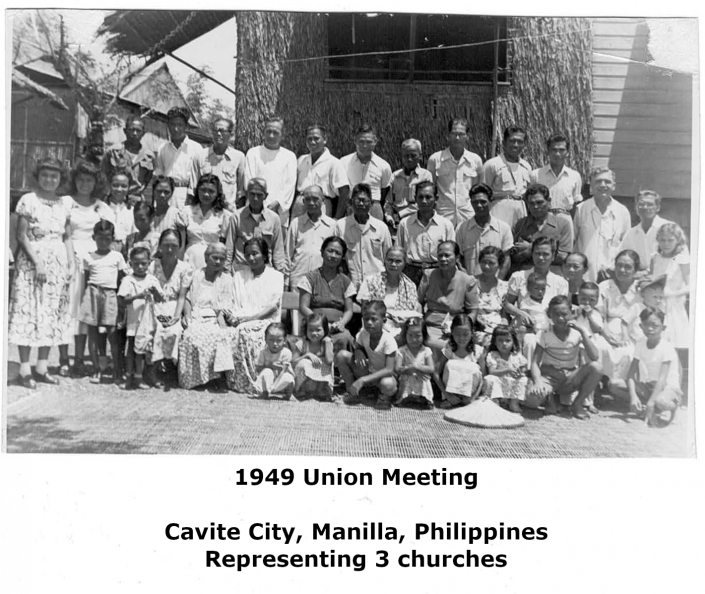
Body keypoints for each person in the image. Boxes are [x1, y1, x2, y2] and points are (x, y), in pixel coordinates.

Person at [8, 157, 74, 388]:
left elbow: (67, 237)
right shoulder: (29, 200)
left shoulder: (64, 203)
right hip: (32, 263)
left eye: (54, 176)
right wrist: (37, 263)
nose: (49, 179)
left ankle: (42, 367)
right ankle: (25, 369)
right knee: (28, 311)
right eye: (45, 175)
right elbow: (21, 235)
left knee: (51, 312)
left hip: (57, 264)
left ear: (60, 179)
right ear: (38, 176)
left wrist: (71, 264)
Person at [61, 160, 114, 376]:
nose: (84, 184)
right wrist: (69, 261)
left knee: (85, 312)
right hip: (69, 259)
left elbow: (110, 237)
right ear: (74, 180)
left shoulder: (102, 207)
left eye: (89, 180)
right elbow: (63, 233)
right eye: (80, 179)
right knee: (67, 310)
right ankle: (65, 358)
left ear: (96, 182)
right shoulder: (65, 202)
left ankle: (80, 359)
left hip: (94, 263)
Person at [223, 238, 285, 393]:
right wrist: (231, 316)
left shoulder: (276, 276)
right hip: (240, 319)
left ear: (264, 255)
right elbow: (231, 303)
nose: (251, 258)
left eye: (255, 253)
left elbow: (272, 307)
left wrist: (248, 319)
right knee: (230, 333)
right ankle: (239, 381)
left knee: (245, 332)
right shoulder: (238, 276)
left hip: (266, 321)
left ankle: (256, 381)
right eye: (247, 254)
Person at [526, 295, 602, 419]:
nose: (561, 318)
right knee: (532, 399)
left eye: (564, 314)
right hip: (550, 377)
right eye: (556, 314)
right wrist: (537, 381)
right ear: (549, 315)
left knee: (597, 367)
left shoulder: (578, 332)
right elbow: (535, 362)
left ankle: (577, 404)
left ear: (572, 313)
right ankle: (550, 398)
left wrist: (582, 332)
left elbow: (595, 356)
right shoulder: (544, 333)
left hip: (570, 378)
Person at [177, 243, 235, 390]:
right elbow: (188, 299)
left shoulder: (227, 279)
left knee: (218, 335)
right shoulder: (196, 275)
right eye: (215, 258)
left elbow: (226, 304)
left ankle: (216, 378)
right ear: (206, 258)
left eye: (222, 259)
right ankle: (194, 379)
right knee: (190, 335)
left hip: (215, 317)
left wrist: (221, 321)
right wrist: (187, 315)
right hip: (196, 315)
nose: (218, 262)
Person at [78, 220, 128, 384]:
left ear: (113, 238)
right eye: (100, 238)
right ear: (94, 237)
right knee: (92, 334)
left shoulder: (117, 257)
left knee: (112, 334)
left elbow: (122, 280)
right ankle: (96, 368)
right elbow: (85, 281)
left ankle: (116, 369)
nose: (104, 242)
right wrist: (83, 302)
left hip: (110, 295)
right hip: (92, 293)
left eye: (108, 238)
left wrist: (122, 302)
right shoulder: (88, 257)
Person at [418, 241, 480, 353]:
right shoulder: (429, 275)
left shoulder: (467, 280)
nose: (443, 259)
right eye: (440, 255)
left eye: (447, 255)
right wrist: (419, 322)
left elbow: (473, 310)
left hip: (456, 328)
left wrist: (461, 326)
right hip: (431, 326)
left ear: (456, 258)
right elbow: (418, 302)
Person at [335, 300, 398, 410]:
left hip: (383, 376)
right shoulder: (363, 333)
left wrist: (363, 380)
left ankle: (384, 397)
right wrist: (359, 352)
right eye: (366, 319)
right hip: (369, 370)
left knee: (388, 384)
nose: (369, 322)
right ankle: (352, 391)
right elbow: (358, 346)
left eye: (374, 319)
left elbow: (389, 369)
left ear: (384, 321)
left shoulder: (388, 341)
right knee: (342, 355)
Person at [149, 229, 193, 384]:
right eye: (166, 245)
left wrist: (176, 317)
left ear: (180, 247)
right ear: (160, 246)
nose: (169, 249)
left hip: (174, 306)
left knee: (174, 330)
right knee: (155, 328)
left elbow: (182, 296)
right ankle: (153, 369)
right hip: (154, 305)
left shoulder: (184, 268)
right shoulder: (153, 266)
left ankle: (170, 369)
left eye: (174, 246)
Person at [297, 236, 356, 352]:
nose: (333, 255)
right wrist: (322, 324)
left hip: (336, 329)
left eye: (338, 253)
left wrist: (341, 323)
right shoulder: (310, 278)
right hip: (314, 327)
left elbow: (349, 310)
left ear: (342, 257)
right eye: (330, 251)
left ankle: (340, 369)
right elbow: (303, 307)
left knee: (345, 338)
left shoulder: (345, 281)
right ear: (322, 252)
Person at [117, 245, 164, 389]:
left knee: (142, 351)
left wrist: (154, 291)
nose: (140, 266)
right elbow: (121, 300)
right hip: (133, 321)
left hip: (147, 323)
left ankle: (139, 377)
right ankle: (129, 377)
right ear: (130, 264)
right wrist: (137, 296)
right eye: (136, 263)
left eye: (143, 263)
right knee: (131, 350)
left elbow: (160, 298)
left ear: (149, 263)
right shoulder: (128, 280)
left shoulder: (152, 279)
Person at [573, 167, 631, 282]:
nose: (603, 185)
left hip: (612, 278)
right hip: (584, 278)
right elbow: (573, 242)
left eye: (607, 182)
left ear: (613, 186)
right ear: (591, 186)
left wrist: (613, 268)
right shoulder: (581, 210)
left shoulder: (622, 212)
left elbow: (627, 246)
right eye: (598, 181)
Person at [597, 250, 644, 390]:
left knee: (630, 352)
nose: (622, 270)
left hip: (633, 330)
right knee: (600, 346)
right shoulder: (605, 286)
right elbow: (600, 315)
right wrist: (605, 333)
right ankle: (596, 385)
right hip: (606, 328)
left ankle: (625, 389)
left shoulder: (640, 288)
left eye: (628, 267)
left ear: (635, 270)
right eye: (619, 265)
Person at [627, 307, 682, 427]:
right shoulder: (640, 342)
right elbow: (631, 374)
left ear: (663, 327)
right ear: (640, 326)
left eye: (654, 325)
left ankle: (672, 406)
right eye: (646, 325)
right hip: (650, 386)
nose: (650, 328)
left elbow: (662, 380)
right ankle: (647, 405)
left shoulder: (666, 347)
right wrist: (633, 396)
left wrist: (651, 402)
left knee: (660, 401)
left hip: (668, 388)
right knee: (615, 385)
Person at [224, 177, 288, 277]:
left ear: (265, 196)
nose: (255, 198)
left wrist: (280, 275)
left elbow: (278, 251)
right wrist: (226, 273)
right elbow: (229, 248)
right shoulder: (236, 217)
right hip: (240, 272)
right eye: (252, 194)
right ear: (247, 194)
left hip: (265, 272)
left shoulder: (274, 219)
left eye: (259, 195)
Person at [396, 181, 456, 287]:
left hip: (438, 271)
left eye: (428, 197)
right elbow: (399, 252)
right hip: (410, 272)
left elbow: (452, 255)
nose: (424, 201)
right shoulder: (405, 224)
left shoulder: (446, 225)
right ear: (415, 198)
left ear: (436, 198)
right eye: (420, 197)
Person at [333, 183, 393, 289]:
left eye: (365, 200)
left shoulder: (381, 228)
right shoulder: (340, 226)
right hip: (351, 286)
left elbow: (388, 257)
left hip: (376, 285)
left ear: (371, 203)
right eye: (358, 200)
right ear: (351, 202)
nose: (361, 204)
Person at [426, 117, 483, 227]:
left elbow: (477, 190)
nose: (457, 137)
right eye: (454, 134)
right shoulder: (435, 159)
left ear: (467, 136)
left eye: (461, 134)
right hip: (443, 215)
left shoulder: (475, 160)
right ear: (448, 135)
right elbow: (431, 189)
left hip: (468, 215)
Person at [356, 247, 422, 341]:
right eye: (390, 260)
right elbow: (365, 310)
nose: (393, 264)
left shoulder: (410, 285)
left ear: (404, 264)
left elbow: (414, 311)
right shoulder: (370, 281)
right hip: (375, 325)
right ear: (385, 261)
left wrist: (404, 321)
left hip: (401, 327)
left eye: (398, 261)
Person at [244, 115, 297, 229]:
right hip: (254, 209)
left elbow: (290, 185)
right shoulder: (253, 153)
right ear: (263, 132)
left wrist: (277, 203)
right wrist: (260, 204)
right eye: (268, 131)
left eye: (275, 132)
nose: (271, 135)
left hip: (279, 212)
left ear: (282, 135)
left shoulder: (289, 156)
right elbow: (249, 181)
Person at [511, 183, 573, 274]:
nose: (535, 207)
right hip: (526, 275)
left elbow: (563, 257)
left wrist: (530, 248)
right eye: (531, 203)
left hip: (554, 275)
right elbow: (514, 257)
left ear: (549, 201)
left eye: (539, 202)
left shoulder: (562, 224)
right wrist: (548, 250)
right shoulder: (520, 225)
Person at [455, 183, 513, 278]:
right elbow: (458, 260)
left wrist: (497, 282)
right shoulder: (461, 229)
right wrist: (468, 281)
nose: (479, 205)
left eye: (483, 202)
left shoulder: (503, 228)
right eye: (475, 202)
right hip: (470, 285)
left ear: (491, 201)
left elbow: (506, 260)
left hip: (495, 286)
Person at [292, 124, 349, 219]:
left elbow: (344, 192)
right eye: (309, 139)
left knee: (321, 232)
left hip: (322, 205)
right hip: (301, 203)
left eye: (316, 138)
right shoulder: (301, 160)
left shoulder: (334, 163)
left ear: (325, 139)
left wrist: (337, 218)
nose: (312, 142)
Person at [286, 185, 336, 292]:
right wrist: (286, 282)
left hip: (323, 280)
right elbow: (288, 255)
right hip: (298, 279)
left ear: (323, 200)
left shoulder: (332, 226)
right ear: (303, 201)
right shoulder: (296, 223)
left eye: (315, 199)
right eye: (307, 199)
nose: (311, 203)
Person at [189, 117, 245, 211]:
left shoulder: (239, 157)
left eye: (222, 131)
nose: (218, 134)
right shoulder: (200, 156)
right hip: (204, 212)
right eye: (215, 131)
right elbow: (193, 189)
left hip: (228, 213)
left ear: (231, 134)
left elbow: (241, 193)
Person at [179, 173, 232, 271]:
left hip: (213, 262)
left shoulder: (224, 216)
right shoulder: (186, 212)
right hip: (189, 259)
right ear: (197, 190)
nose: (206, 194)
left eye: (211, 191)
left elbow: (225, 246)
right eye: (203, 190)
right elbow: (181, 243)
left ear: (217, 194)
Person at [340, 124, 393, 220]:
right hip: (352, 207)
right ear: (355, 141)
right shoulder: (343, 163)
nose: (364, 146)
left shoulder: (383, 166)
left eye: (369, 142)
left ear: (375, 141)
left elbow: (384, 191)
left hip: (374, 207)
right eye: (361, 141)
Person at [482, 125, 531, 228]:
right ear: (504, 143)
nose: (516, 145)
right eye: (512, 141)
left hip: (521, 214)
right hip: (498, 213)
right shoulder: (492, 165)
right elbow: (482, 194)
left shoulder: (526, 167)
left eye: (520, 142)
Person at [650, 222, 690, 348]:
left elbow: (691, 286)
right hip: (655, 305)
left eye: (670, 240)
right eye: (662, 240)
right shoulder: (655, 258)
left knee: (672, 345)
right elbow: (651, 278)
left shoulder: (682, 259)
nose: (666, 244)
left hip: (673, 306)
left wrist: (671, 294)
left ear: (678, 240)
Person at [154, 107, 202, 209]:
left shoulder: (196, 148)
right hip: (166, 194)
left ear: (186, 127)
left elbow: (200, 175)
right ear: (168, 126)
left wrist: (193, 195)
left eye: (180, 125)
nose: (176, 129)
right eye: (172, 124)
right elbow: (159, 174)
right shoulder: (163, 148)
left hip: (188, 194)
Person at [434, 314, 483, 409]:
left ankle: (466, 399)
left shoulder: (478, 351)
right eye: (457, 334)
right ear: (452, 332)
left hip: (470, 395)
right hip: (450, 394)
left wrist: (473, 397)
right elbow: (436, 372)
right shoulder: (449, 349)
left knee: (474, 368)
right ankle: (451, 399)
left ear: (472, 332)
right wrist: (447, 394)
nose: (461, 338)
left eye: (465, 334)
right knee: (451, 364)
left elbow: (483, 378)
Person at [101, 115, 156, 200]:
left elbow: (147, 181)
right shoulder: (113, 151)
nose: (135, 133)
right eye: (131, 130)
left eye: (138, 130)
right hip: (115, 199)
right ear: (125, 131)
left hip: (136, 201)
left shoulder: (149, 156)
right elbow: (103, 174)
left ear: (143, 133)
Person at [529, 133, 583, 217]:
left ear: (567, 153)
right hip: (542, 219)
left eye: (562, 150)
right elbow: (529, 201)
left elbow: (577, 203)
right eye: (554, 150)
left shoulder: (574, 176)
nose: (558, 154)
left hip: (566, 219)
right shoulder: (536, 174)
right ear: (548, 152)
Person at [384, 139, 433, 229]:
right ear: (402, 157)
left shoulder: (425, 176)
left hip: (419, 223)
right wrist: (389, 217)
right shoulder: (394, 176)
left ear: (420, 156)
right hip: (397, 225)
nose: (409, 159)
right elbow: (388, 203)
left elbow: (425, 202)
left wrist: (400, 214)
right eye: (406, 156)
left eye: (413, 155)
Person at [619, 190, 671, 270]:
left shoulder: (670, 229)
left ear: (657, 208)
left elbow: (681, 260)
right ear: (636, 207)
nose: (645, 207)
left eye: (650, 204)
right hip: (640, 279)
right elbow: (621, 256)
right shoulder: (631, 234)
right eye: (641, 204)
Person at [483, 324, 529, 413]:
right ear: (495, 342)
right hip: (499, 380)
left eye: (508, 341)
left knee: (523, 379)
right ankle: (495, 401)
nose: (504, 344)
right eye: (500, 340)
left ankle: (513, 403)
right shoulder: (493, 355)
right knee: (490, 379)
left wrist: (520, 373)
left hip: (511, 381)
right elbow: (492, 372)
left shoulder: (516, 356)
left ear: (513, 342)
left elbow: (523, 368)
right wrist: (508, 370)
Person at [291, 313, 335, 400]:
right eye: (310, 330)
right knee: (303, 363)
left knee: (325, 362)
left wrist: (328, 343)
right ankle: (301, 390)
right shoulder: (302, 344)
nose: (314, 333)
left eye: (318, 330)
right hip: (304, 381)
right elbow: (293, 362)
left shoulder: (326, 343)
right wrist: (307, 355)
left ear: (325, 330)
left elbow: (330, 361)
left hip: (320, 380)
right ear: (306, 330)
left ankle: (320, 390)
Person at [394, 318, 435, 408]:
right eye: (410, 335)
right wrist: (408, 369)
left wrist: (416, 367)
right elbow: (397, 368)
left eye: (418, 336)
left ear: (424, 335)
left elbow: (431, 368)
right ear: (405, 335)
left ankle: (423, 397)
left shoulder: (426, 350)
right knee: (408, 378)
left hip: (421, 376)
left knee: (423, 378)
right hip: (407, 375)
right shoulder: (402, 350)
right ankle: (406, 397)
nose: (414, 339)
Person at [474, 246, 509, 346]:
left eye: (491, 263)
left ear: (499, 265)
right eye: (484, 262)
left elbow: (504, 314)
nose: (486, 266)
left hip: (498, 328)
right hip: (477, 326)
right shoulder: (471, 282)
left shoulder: (504, 286)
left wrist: (503, 326)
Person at [253, 322, 295, 399]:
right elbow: (258, 369)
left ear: (284, 340)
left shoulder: (286, 353)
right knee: (267, 371)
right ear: (265, 339)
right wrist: (270, 366)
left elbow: (284, 371)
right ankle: (265, 392)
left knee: (289, 377)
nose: (275, 343)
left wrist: (274, 386)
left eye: (279, 340)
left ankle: (289, 394)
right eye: (271, 340)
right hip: (268, 381)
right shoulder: (263, 353)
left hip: (281, 380)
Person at [106, 169, 135, 255]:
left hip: (126, 254)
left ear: (129, 187)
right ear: (109, 185)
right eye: (115, 185)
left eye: (124, 186)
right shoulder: (102, 208)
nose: (119, 189)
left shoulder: (132, 210)